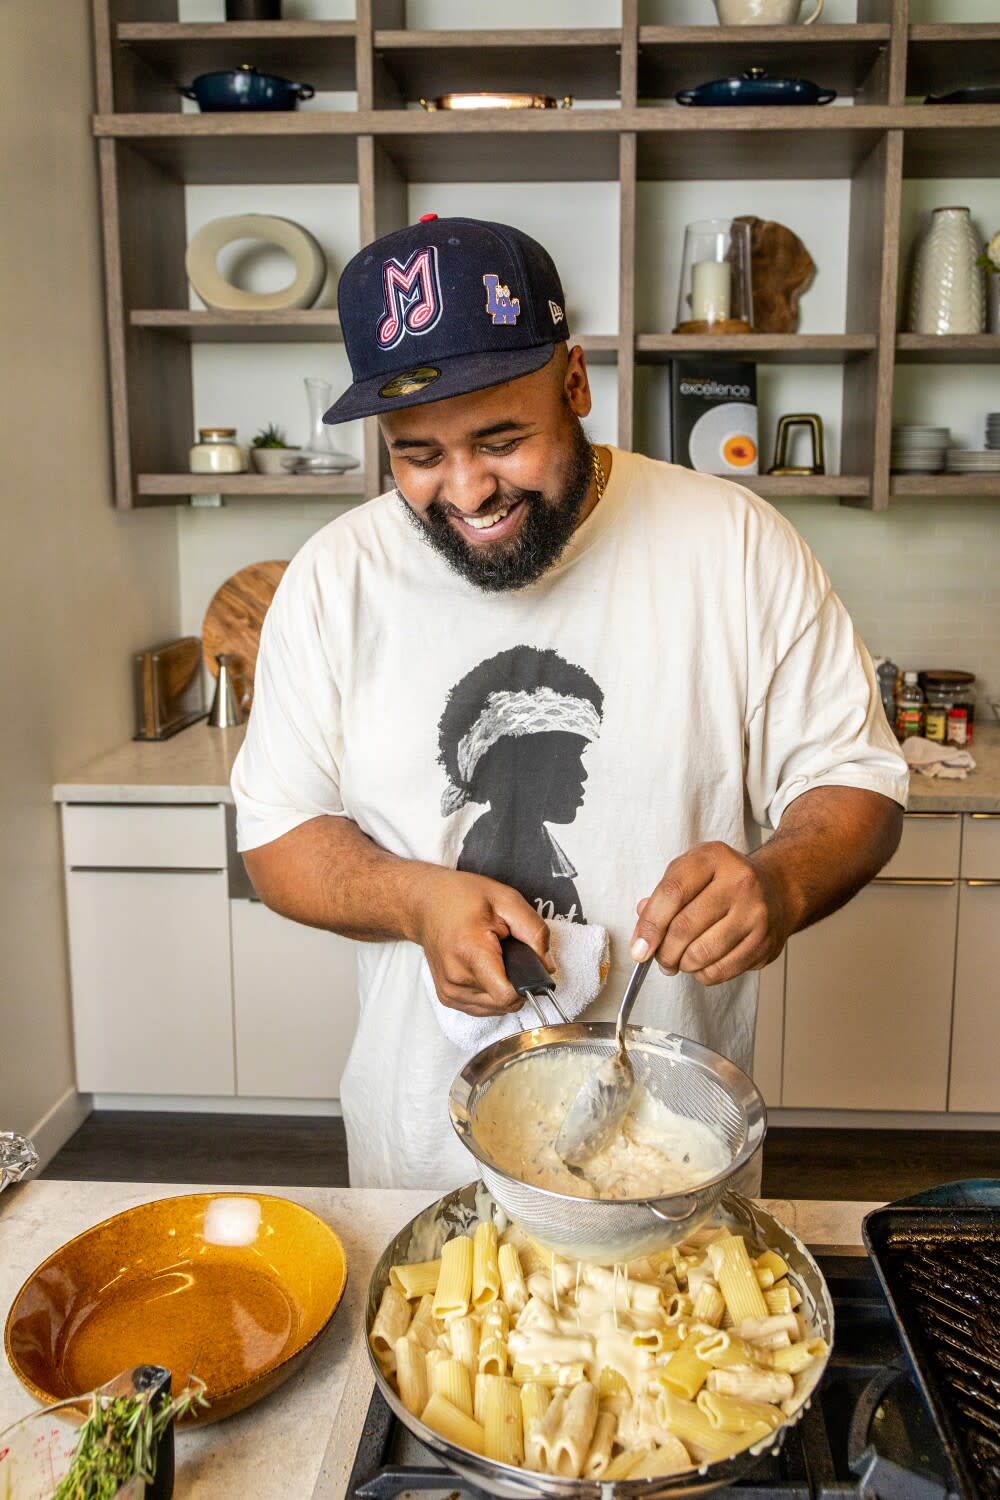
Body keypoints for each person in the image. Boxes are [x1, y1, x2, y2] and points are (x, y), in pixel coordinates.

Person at [232, 215, 907, 1190]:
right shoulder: (334, 579)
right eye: (418, 454)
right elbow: (277, 834)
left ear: (576, 381)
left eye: (502, 439)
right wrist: (416, 901)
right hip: (424, 1152)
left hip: (675, 1151)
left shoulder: (732, 545)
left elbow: (857, 782)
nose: (466, 491)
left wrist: (782, 883)